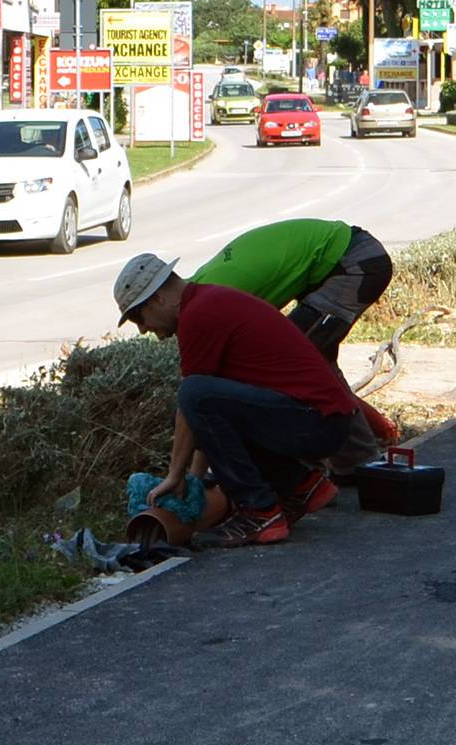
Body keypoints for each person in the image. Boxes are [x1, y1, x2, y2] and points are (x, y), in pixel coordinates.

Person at [115, 250, 363, 547]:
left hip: (316, 421)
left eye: (138, 317)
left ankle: (260, 511)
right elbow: (207, 416)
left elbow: (196, 400)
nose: (143, 329)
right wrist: (193, 482)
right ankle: (301, 486)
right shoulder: (206, 301)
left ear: (158, 298)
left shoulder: (198, 314)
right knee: (191, 405)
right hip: (321, 420)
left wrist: (175, 476)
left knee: (192, 395)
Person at [189, 217, 393, 364]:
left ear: (160, 301)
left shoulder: (211, 301)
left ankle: (349, 421)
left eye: (154, 326)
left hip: (355, 262)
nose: (160, 336)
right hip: (336, 263)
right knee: (316, 363)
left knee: (287, 359)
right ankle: (350, 420)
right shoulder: (203, 285)